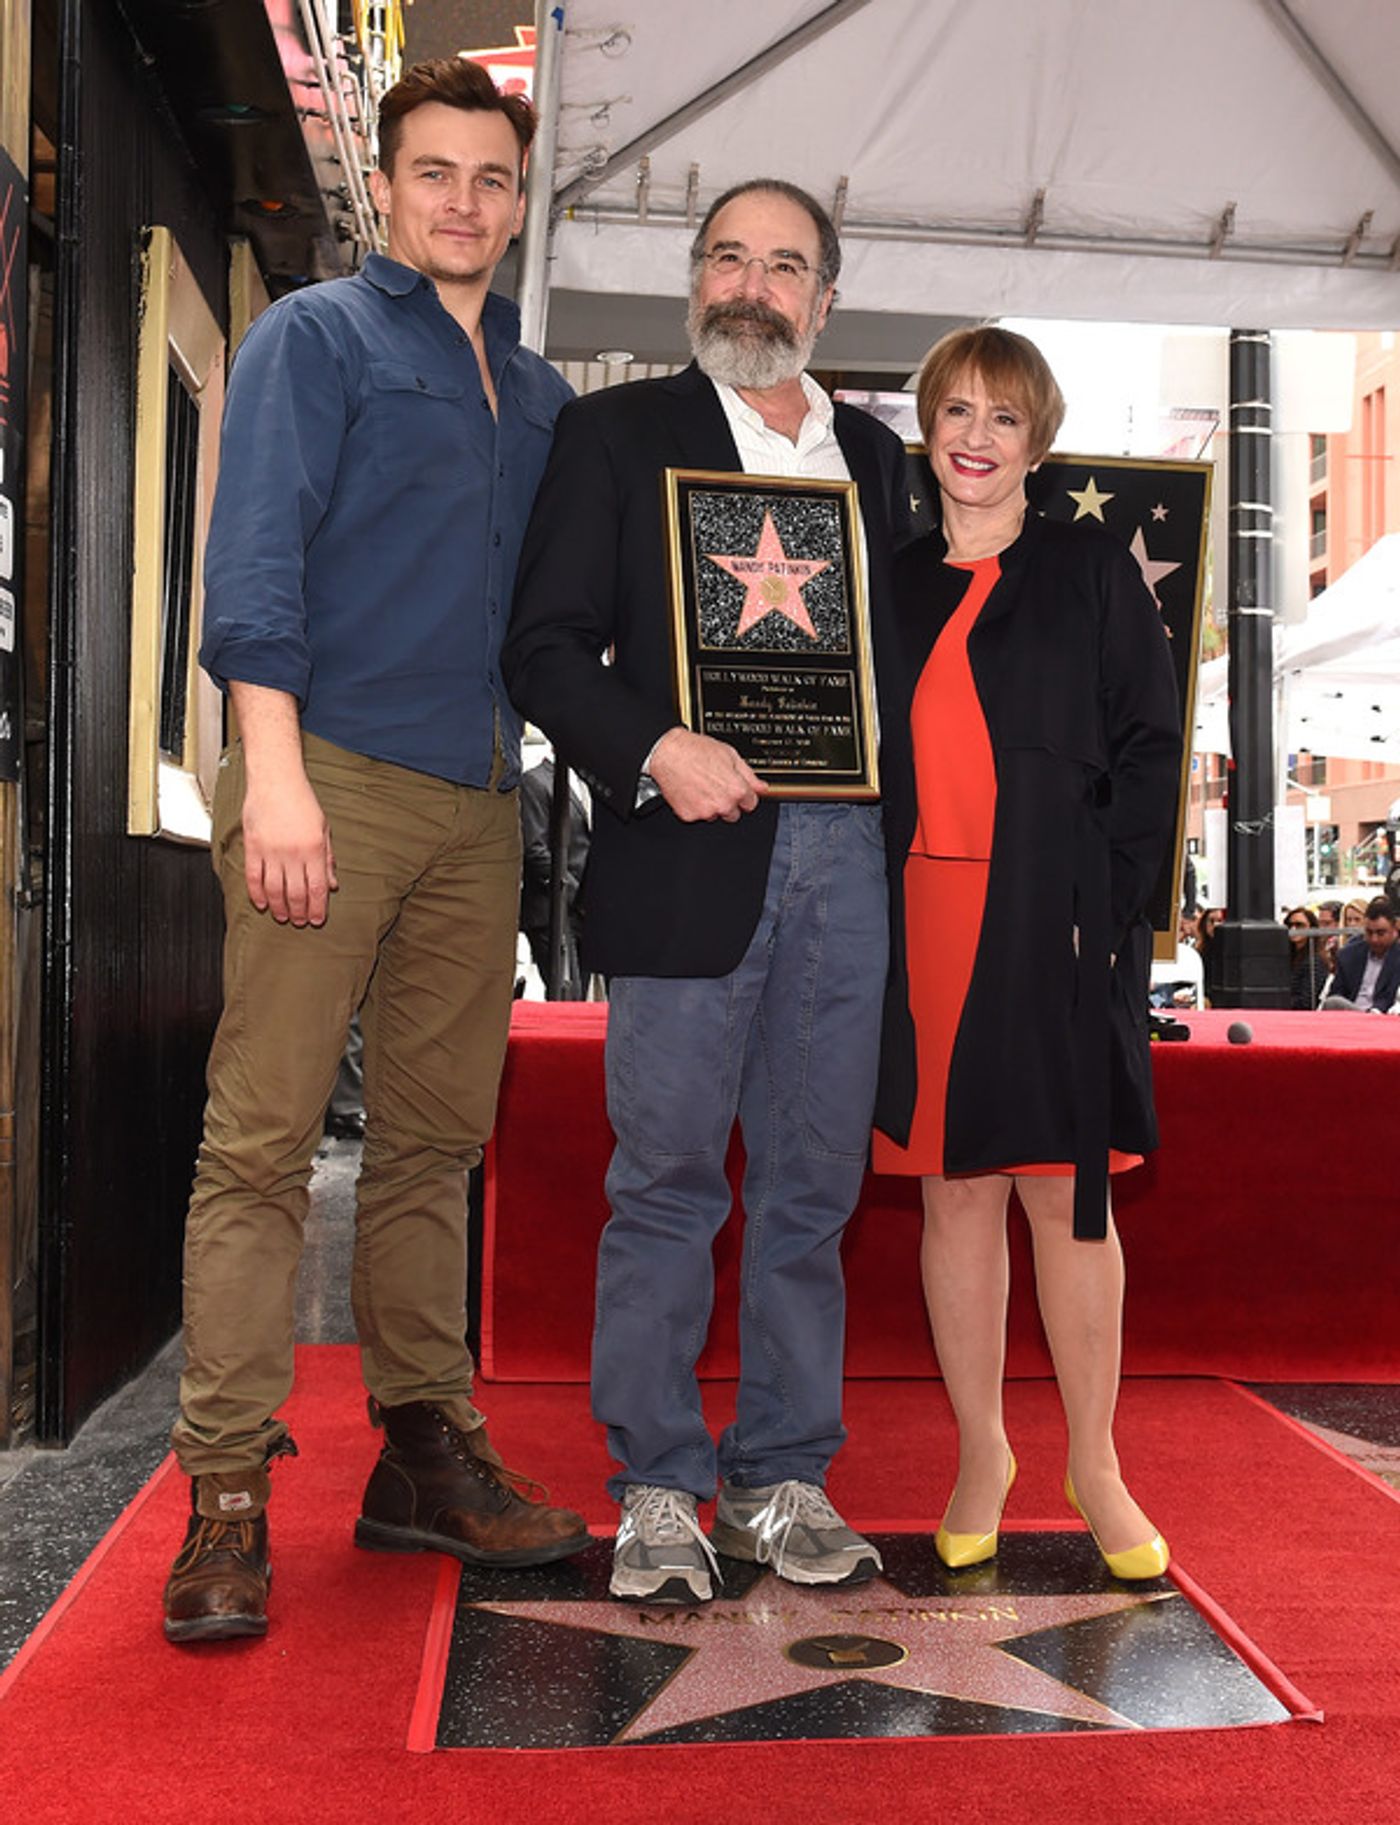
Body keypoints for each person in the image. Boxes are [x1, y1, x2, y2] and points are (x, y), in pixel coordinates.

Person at [162, 59, 590, 1646]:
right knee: (263, 1140)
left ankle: (421, 1452)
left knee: (431, 1148)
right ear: (389, 187)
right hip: (322, 774)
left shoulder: (543, 398)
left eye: (491, 177)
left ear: (517, 196)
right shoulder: (315, 339)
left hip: (481, 805)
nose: (464, 201)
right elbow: (254, 560)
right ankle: (222, 1490)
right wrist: (271, 778)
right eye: (435, 173)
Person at [504, 178, 911, 1605]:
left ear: (825, 298)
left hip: (848, 864)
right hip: (687, 857)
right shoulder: (614, 433)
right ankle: (660, 1489)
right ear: (695, 279)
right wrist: (654, 746)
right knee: (668, 1181)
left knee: (815, 1187)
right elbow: (544, 648)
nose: (753, 285)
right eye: (727, 256)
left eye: (784, 266)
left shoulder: (882, 461)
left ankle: (783, 1475)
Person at [871, 326, 1181, 1581]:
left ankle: (1093, 1461)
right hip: (912, 924)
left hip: (1051, 924)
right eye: (953, 410)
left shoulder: (1092, 570)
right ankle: (981, 1450)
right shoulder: (885, 580)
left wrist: (1100, 906)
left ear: (1036, 441)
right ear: (926, 431)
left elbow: (1152, 746)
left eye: (1001, 416)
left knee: (1065, 1192)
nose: (974, 437)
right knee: (952, 1195)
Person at [518, 754, 590, 996]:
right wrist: (577, 894)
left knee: (584, 1000)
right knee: (568, 999)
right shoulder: (534, 781)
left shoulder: (587, 783)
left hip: (585, 911)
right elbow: (535, 850)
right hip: (552, 910)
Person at [1322, 897, 1400, 1011]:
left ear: (1395, 930)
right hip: (1350, 1015)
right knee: (1332, 1002)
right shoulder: (1348, 955)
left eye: (1380, 933)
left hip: (1384, 1017)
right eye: (1369, 932)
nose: (1374, 939)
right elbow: (1336, 993)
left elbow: (1389, 997)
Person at [1284, 906, 1328, 1009]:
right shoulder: (1288, 957)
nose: (1293, 929)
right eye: (1289, 925)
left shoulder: (1315, 961)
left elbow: (1307, 1001)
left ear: (1311, 928)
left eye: (1299, 925)